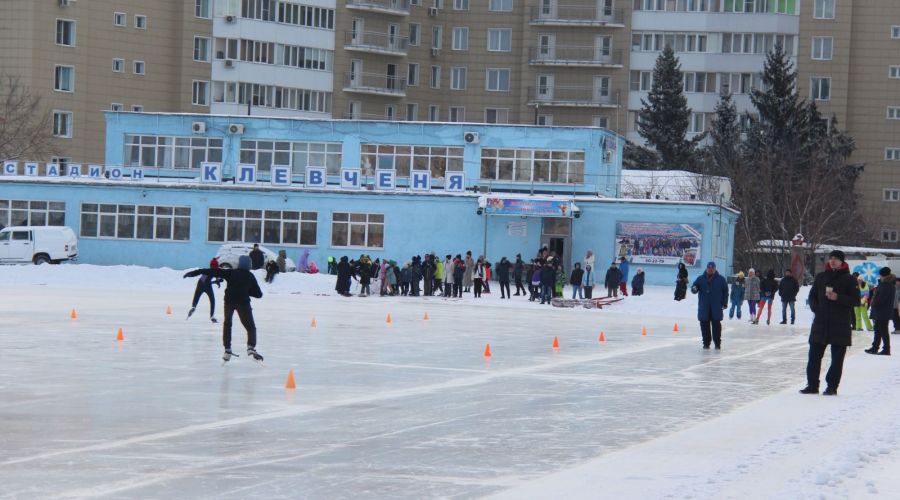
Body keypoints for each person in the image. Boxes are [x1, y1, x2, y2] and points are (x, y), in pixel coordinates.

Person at [183, 255, 264, 362]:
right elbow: (258, 294)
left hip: (229, 302)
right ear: (249, 265)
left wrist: (194, 273)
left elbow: (212, 271)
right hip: (243, 303)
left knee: (227, 324)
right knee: (250, 327)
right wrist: (246, 290)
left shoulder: (231, 272)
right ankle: (251, 347)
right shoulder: (250, 276)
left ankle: (227, 349)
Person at [801, 250, 859, 395]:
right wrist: (816, 308)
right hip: (820, 323)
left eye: (836, 259)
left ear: (842, 262)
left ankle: (832, 386)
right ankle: (812, 385)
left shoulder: (849, 279)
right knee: (814, 356)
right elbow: (812, 296)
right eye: (831, 258)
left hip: (840, 324)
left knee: (837, 359)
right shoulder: (821, 277)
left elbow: (855, 301)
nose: (833, 261)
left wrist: (837, 297)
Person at [691, 261, 728, 349]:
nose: (710, 270)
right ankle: (706, 343)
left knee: (716, 326)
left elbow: (725, 292)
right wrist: (694, 288)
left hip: (716, 307)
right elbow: (694, 287)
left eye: (712, 268)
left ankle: (717, 343)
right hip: (704, 307)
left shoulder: (721, 279)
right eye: (709, 268)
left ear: (715, 269)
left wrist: (724, 303)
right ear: (706, 269)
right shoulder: (700, 279)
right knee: (704, 326)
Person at [865, 267, 894, 356]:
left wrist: (873, 303)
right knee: (878, 330)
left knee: (883, 330)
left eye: (881, 275)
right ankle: (875, 347)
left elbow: (881, 299)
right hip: (881, 311)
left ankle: (886, 349)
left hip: (882, 311)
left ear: (883, 275)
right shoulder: (885, 284)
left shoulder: (886, 285)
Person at [187, 257, 222, 323]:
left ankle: (193, 307)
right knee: (212, 300)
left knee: (197, 296)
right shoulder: (216, 271)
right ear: (216, 266)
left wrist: (216, 281)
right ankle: (212, 316)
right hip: (207, 285)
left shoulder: (208, 270)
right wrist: (217, 281)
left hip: (200, 284)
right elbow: (212, 279)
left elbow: (205, 280)